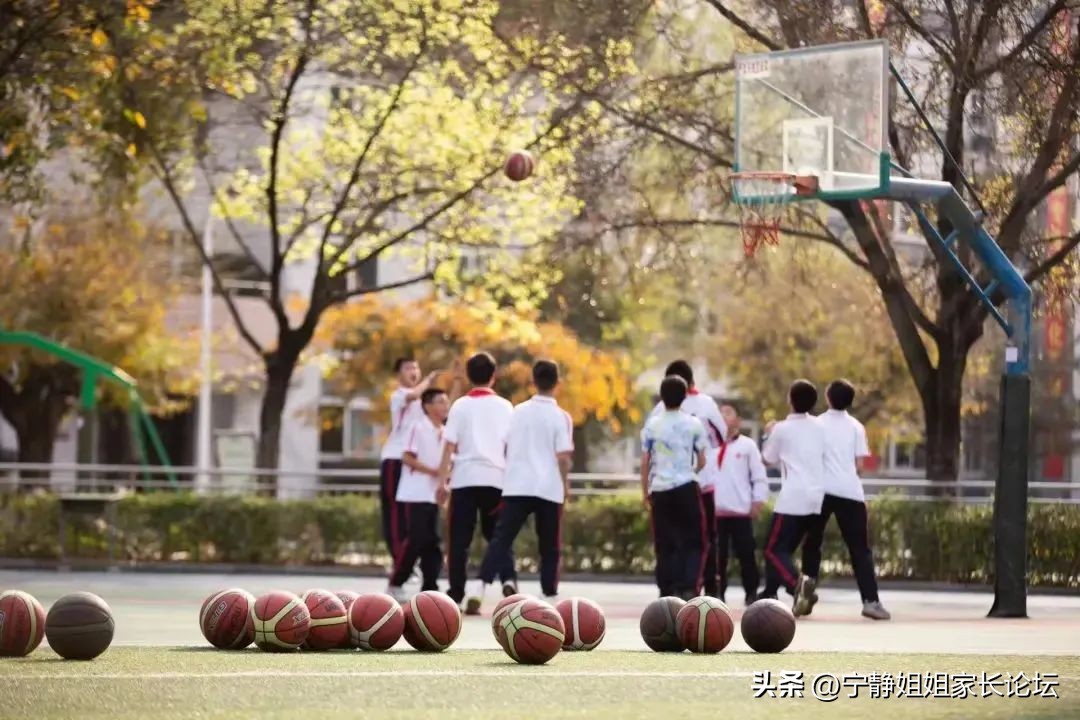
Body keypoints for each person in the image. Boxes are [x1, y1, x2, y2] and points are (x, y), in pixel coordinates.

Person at [474, 360, 574, 609]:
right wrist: (565, 486)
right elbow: (563, 457)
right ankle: (549, 594)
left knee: (501, 540)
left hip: (517, 484)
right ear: (558, 384)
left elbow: (505, 445)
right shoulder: (561, 417)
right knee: (549, 545)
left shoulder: (517, 411)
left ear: (533, 381)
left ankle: (479, 587)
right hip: (548, 488)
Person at [801, 379, 891, 620]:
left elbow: (810, 458)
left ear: (828, 397)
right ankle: (871, 601)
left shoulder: (816, 424)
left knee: (812, 544)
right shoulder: (856, 427)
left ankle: (804, 597)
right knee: (860, 549)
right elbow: (860, 464)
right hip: (850, 491)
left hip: (820, 492)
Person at [436, 351, 515, 614]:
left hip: (464, 479)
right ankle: (508, 579)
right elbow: (511, 448)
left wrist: (440, 481)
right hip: (497, 479)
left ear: (469, 376)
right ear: (494, 376)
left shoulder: (459, 406)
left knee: (459, 540)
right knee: (498, 537)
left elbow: (448, 446)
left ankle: (456, 593)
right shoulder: (506, 407)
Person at [647, 360, 725, 596]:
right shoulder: (706, 404)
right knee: (704, 539)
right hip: (701, 483)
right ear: (691, 381)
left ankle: (668, 591)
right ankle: (709, 590)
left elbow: (649, 453)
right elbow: (720, 438)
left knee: (668, 540)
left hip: (664, 485)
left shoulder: (658, 411)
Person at [760, 379, 826, 617]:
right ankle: (769, 591)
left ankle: (797, 585)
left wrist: (768, 435)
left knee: (772, 550)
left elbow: (767, 459)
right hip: (817, 497)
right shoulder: (821, 427)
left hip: (792, 498)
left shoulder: (781, 429)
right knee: (786, 550)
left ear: (790, 400)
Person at [641, 375, 708, 600]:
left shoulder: (653, 424)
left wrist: (645, 491)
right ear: (685, 397)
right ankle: (688, 586)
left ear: (662, 396)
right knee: (695, 540)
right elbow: (701, 460)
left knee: (664, 541)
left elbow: (645, 461)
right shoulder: (693, 423)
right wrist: (690, 473)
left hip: (660, 488)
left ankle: (666, 588)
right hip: (686, 486)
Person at [386, 388, 450, 601]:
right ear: (428, 406)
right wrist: (434, 471)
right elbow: (406, 457)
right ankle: (396, 582)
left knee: (433, 542)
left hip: (432, 495)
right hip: (414, 493)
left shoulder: (445, 431)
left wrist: (443, 480)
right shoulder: (417, 426)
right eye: (441, 402)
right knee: (416, 540)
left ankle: (430, 586)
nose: (445, 406)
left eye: (446, 402)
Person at [378, 358, 438, 561]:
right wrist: (429, 381)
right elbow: (412, 395)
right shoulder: (399, 396)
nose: (413, 371)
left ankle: (406, 561)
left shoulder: (424, 403)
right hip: (395, 459)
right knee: (395, 515)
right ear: (399, 374)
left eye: (416, 367)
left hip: (412, 463)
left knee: (409, 516)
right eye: (408, 368)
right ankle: (399, 561)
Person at [713, 403, 768, 605]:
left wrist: (758, 501)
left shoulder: (747, 446)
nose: (724, 417)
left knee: (746, 555)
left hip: (740, 512)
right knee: (717, 558)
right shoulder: (710, 446)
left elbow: (759, 476)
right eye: (721, 414)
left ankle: (751, 592)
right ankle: (717, 594)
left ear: (737, 420)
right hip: (715, 512)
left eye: (728, 413)